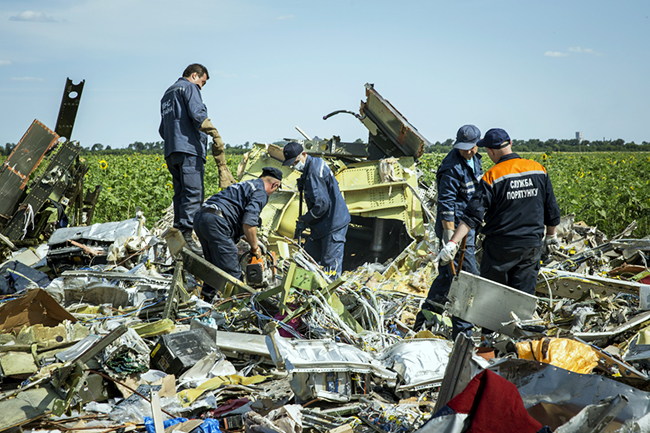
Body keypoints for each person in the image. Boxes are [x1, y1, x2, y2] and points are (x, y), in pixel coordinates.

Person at [438, 128, 561, 301]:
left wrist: (452, 242)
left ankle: (492, 321)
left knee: (493, 299)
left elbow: (472, 215)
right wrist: (551, 235)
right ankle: (520, 319)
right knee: (523, 298)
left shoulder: (493, 176)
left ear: (490, 151)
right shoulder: (538, 169)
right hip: (531, 245)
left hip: (501, 248)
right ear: (510, 143)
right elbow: (552, 208)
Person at [414, 125, 483, 338]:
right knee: (464, 277)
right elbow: (446, 204)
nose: (468, 151)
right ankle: (463, 332)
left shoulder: (475, 159)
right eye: (464, 148)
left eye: (471, 147)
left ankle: (424, 321)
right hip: (455, 229)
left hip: (469, 224)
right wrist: (449, 239)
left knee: (446, 277)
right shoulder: (451, 167)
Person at [159, 63, 229, 255]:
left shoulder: (167, 94)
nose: (201, 87)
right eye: (202, 83)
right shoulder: (189, 87)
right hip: (189, 150)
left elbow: (162, 129)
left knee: (180, 193)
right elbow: (198, 114)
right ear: (194, 75)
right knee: (193, 192)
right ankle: (187, 236)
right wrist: (214, 133)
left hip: (172, 151)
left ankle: (177, 236)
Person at [193, 167, 283, 298]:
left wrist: (255, 241)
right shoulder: (261, 192)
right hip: (217, 222)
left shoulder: (245, 185)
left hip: (201, 218)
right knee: (233, 273)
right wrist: (255, 248)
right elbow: (249, 223)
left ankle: (206, 301)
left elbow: (237, 219)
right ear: (275, 185)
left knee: (214, 268)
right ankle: (239, 306)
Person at [282, 142, 351, 278]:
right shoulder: (313, 164)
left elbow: (321, 205)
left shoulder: (314, 172)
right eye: (292, 164)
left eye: (295, 162)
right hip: (322, 224)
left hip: (333, 224)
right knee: (306, 259)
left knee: (329, 266)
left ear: (303, 154)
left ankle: (331, 288)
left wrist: (305, 220)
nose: (294, 166)